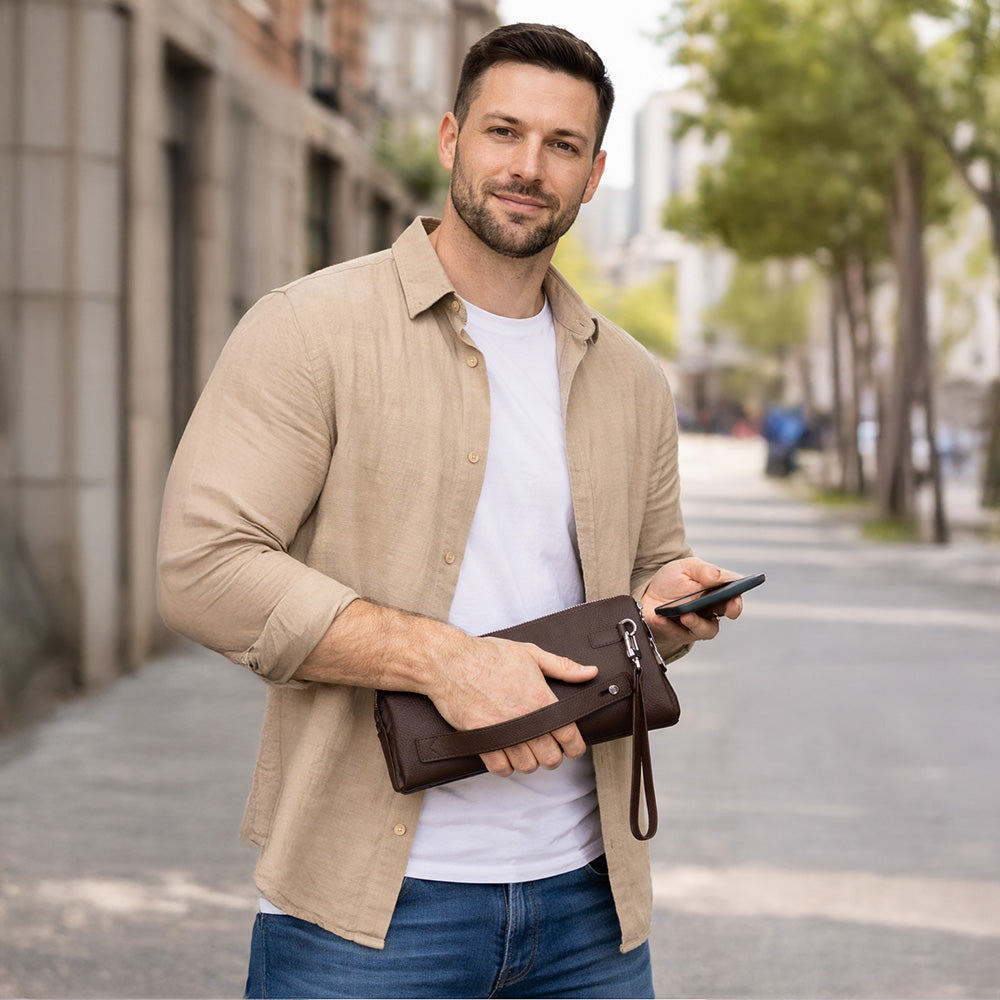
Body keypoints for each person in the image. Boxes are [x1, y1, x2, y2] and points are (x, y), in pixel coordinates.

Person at [157, 21, 745, 1000]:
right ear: (449, 138)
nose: (528, 167)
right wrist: (446, 663)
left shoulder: (633, 380)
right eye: (503, 131)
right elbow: (203, 568)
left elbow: (640, 598)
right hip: (365, 917)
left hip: (588, 910)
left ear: (594, 176)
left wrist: (666, 611)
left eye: (562, 145)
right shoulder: (311, 329)